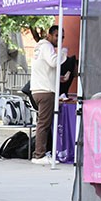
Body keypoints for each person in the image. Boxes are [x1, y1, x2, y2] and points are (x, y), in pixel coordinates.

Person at [30, 25, 68, 164]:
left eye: (62, 37)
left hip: (39, 89)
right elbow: (53, 62)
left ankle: (41, 152)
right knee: (44, 124)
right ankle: (39, 155)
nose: (60, 40)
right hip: (45, 91)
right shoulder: (47, 47)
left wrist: (59, 78)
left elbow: (45, 69)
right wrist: (63, 53)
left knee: (43, 123)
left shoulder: (40, 47)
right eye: (57, 36)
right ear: (49, 35)